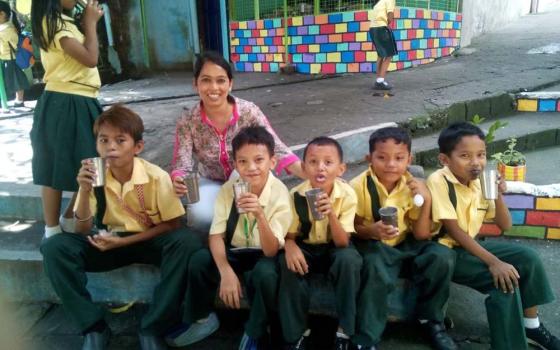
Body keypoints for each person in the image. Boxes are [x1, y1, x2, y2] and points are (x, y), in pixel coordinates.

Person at [40, 105, 202, 350]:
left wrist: (125, 241)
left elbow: (172, 224)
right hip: (107, 241)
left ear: (138, 147)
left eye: (120, 140)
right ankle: (93, 328)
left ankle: (153, 328)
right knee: (54, 248)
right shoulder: (94, 176)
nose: (110, 147)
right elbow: (83, 229)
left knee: (186, 242)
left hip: (148, 240)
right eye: (103, 140)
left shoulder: (155, 177)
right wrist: (83, 191)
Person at [427, 122, 560, 350]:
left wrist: (497, 195)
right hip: (444, 252)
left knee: (528, 257)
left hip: (470, 247)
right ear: (445, 160)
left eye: (481, 154)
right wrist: (494, 262)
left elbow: (504, 224)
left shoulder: (481, 183)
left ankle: (531, 324)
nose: (476, 162)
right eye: (465, 156)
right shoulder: (439, 181)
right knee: (504, 282)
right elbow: (453, 230)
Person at [166, 126, 292, 349]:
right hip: (235, 250)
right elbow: (216, 236)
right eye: (243, 162)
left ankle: (255, 330)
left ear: (272, 162)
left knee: (265, 275)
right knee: (199, 260)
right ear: (235, 165)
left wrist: (260, 215)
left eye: (259, 160)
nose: (251, 168)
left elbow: (271, 250)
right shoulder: (230, 189)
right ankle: (202, 318)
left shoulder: (280, 194)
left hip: (263, 253)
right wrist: (225, 271)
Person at [171, 51, 304, 233]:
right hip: (212, 182)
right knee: (201, 215)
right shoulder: (187, 121)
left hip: (250, 178)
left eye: (221, 80)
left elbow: (276, 147)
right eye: (206, 80)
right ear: (196, 84)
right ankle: (214, 251)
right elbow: (182, 163)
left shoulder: (248, 111)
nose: (214, 87)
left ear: (230, 83)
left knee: (263, 215)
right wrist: (178, 179)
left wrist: (311, 173)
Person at [349, 127, 457, 350]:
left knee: (442, 256)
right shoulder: (358, 186)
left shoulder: (413, 186)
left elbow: (422, 235)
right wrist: (371, 231)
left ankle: (431, 321)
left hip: (409, 242)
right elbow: (353, 227)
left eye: (399, 158)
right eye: (382, 157)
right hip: (375, 244)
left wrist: (426, 200)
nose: (391, 165)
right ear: (369, 158)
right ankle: (368, 335)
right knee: (373, 265)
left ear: (409, 159)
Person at [278, 137, 362, 350]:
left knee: (349, 260)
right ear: (304, 168)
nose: (320, 168)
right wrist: (289, 246)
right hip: (306, 246)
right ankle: (296, 333)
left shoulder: (347, 194)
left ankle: (345, 331)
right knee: (287, 264)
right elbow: (290, 235)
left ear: (341, 169)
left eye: (328, 162)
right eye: (313, 162)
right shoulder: (295, 194)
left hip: (334, 247)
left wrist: (331, 214)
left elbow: (343, 242)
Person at [30, 0, 104, 238]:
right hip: (64, 99)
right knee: (54, 163)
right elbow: (90, 58)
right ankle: (51, 230)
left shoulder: (67, 22)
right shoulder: (52, 23)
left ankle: (71, 216)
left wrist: (85, 23)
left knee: (93, 163)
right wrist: (91, 24)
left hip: (83, 98)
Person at [0, 1, 30, 108]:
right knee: (13, 80)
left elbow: (4, 46)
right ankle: (17, 100)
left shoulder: (5, 29)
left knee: (16, 81)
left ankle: (19, 100)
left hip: (10, 59)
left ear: (2, 14)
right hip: (7, 58)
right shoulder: (7, 26)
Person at [369, 0, 397, 90]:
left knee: (380, 54)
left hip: (373, 29)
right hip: (381, 28)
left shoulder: (378, 2)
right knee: (389, 54)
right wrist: (388, 22)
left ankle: (378, 80)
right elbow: (390, 15)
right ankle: (380, 81)